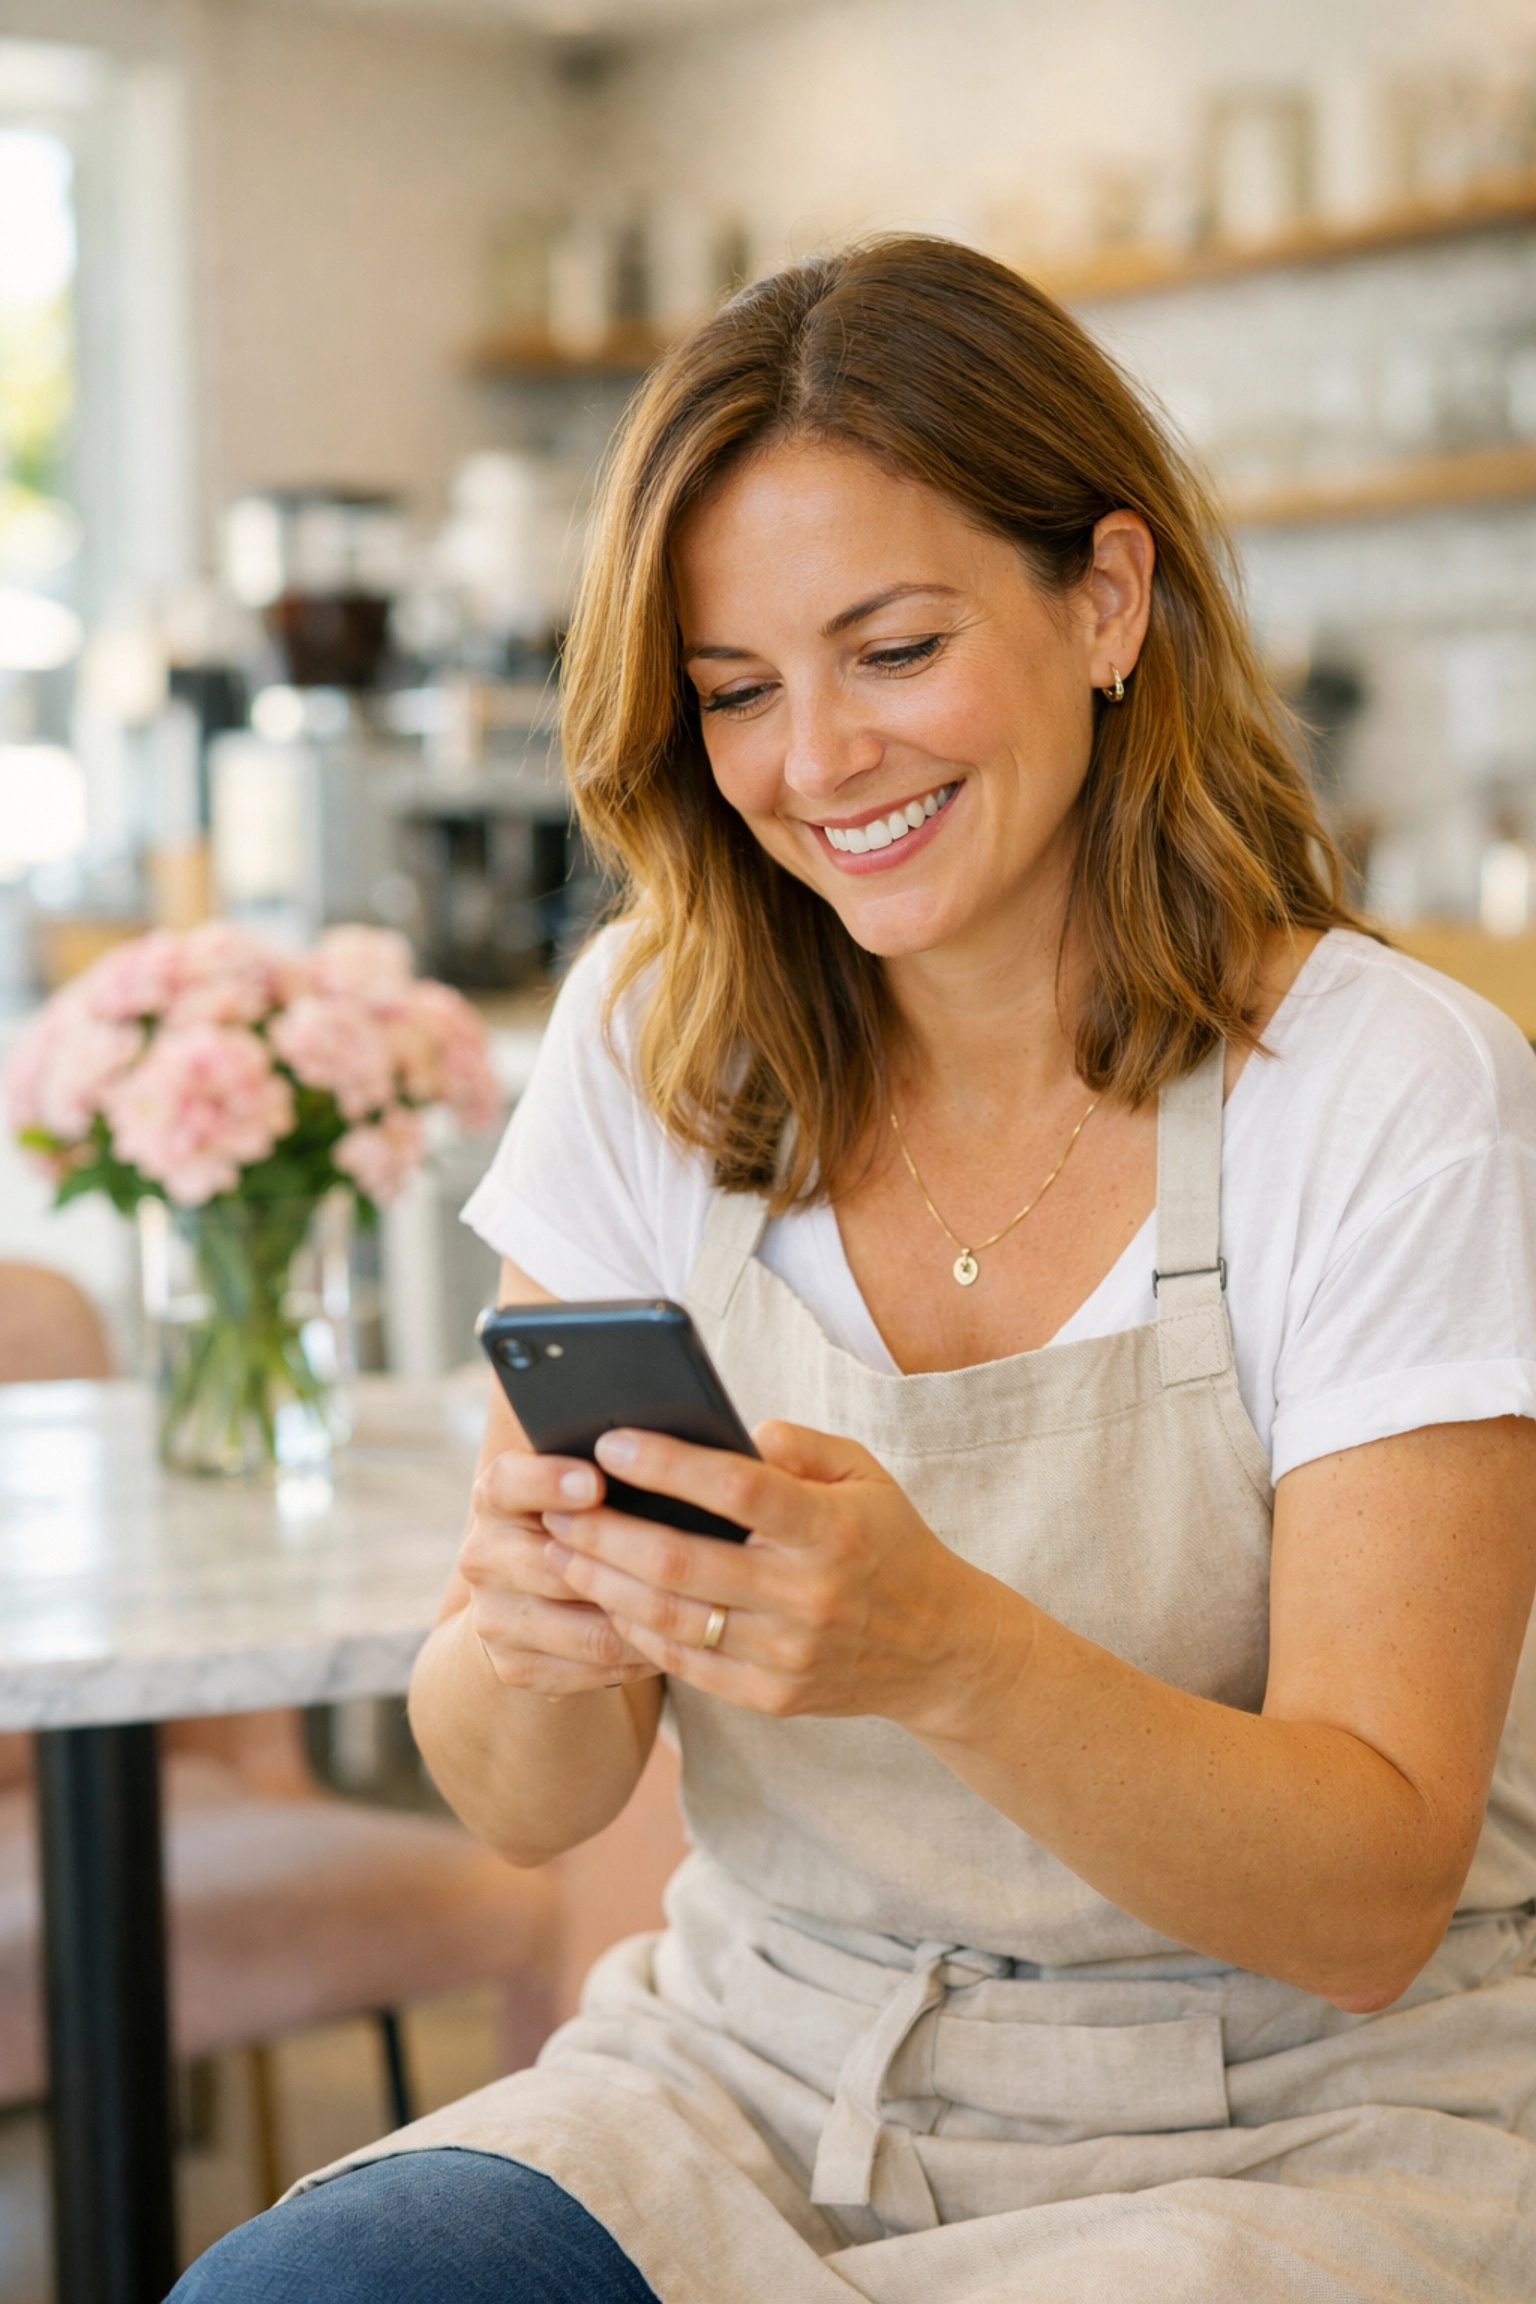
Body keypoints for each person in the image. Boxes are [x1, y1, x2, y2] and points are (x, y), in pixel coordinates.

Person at [175, 238, 1536, 2304]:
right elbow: (519, 1799)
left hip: (1291, 2124)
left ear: (1106, 598)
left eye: (892, 650)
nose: (813, 763)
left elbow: (1367, 1902)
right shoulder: (654, 1038)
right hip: (748, 2080)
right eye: (735, 691)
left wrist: (947, 1653)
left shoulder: (1387, 1091)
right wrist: (536, 1633)